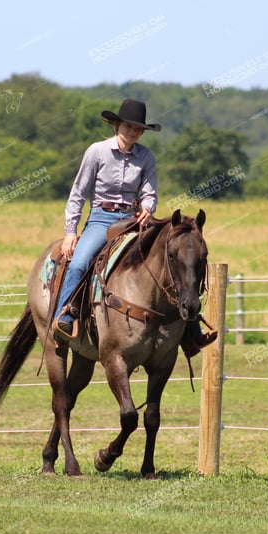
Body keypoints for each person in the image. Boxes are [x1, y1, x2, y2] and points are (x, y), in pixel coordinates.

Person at [51, 98, 216, 356]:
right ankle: (66, 315)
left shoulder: (146, 156)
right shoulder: (97, 152)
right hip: (101, 219)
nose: (133, 132)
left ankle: (190, 328)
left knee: (170, 258)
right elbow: (78, 193)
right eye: (128, 126)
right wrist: (70, 232)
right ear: (117, 125)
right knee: (80, 262)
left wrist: (149, 207)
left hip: (134, 219)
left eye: (138, 129)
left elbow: (150, 192)